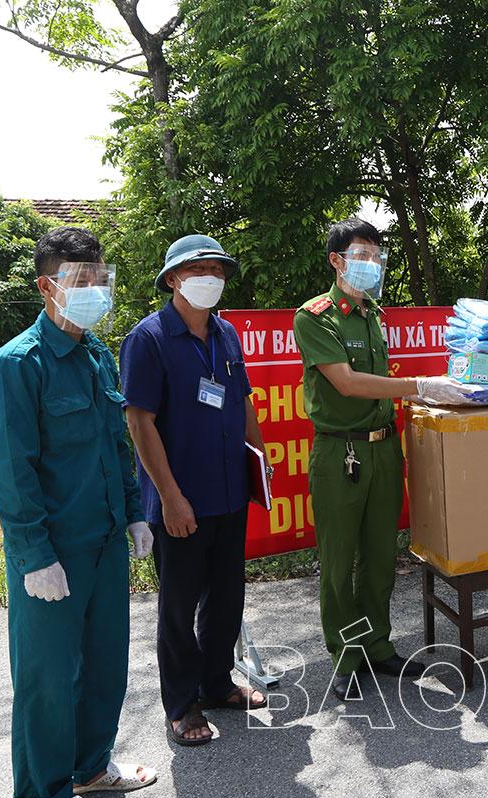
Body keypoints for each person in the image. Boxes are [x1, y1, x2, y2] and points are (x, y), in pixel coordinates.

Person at [0, 227, 157, 798]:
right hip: (52, 556)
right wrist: (34, 557)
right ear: (47, 286)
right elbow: (12, 473)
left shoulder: (97, 355)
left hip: (104, 547)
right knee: (47, 683)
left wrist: (133, 514)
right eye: (82, 282)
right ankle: (42, 791)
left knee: (106, 668)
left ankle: (92, 769)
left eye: (101, 280)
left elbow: (115, 444)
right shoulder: (15, 366)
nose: (95, 291)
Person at [292, 218, 454, 701]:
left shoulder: (374, 314)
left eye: (377, 256)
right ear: (336, 261)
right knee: (339, 561)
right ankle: (346, 655)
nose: (373, 264)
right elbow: (347, 383)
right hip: (340, 451)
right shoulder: (316, 316)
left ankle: (377, 645)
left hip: (384, 449)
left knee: (382, 556)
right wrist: (418, 386)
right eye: (362, 255)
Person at [120, 234, 268, 746]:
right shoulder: (149, 338)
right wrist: (170, 496)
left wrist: (261, 465)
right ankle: (182, 706)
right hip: (181, 500)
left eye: (219, 270)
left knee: (227, 597)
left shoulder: (226, 334)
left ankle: (217, 682)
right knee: (179, 608)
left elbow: (243, 402)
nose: (212, 278)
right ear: (174, 279)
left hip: (229, 492)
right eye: (200, 268)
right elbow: (140, 422)